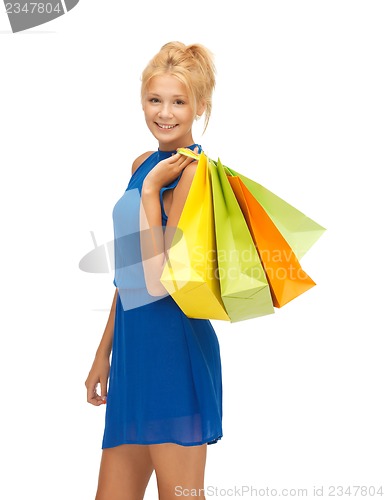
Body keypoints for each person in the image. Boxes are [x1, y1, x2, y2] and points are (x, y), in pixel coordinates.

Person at [85, 41, 222, 500]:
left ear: (199, 106)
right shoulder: (143, 165)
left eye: (179, 101)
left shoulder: (193, 174)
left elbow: (160, 280)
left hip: (172, 351)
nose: (164, 113)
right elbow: (126, 273)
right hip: (132, 351)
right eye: (155, 99)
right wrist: (104, 352)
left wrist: (149, 196)